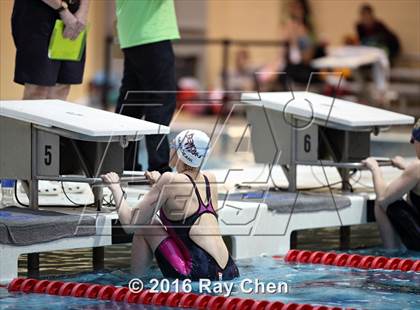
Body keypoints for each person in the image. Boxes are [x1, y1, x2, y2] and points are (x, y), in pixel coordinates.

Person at [102, 130, 239, 280]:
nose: (170, 149)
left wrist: (115, 187)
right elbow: (185, 208)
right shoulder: (209, 179)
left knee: (146, 225)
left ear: (180, 153)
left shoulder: (169, 180)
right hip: (229, 271)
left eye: (173, 145)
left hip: (199, 273)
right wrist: (159, 184)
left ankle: (135, 284)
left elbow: (129, 224)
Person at [115, 0, 179, 174]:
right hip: (152, 32)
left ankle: (125, 166)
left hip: (132, 32)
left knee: (131, 105)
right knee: (160, 102)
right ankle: (159, 169)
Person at [12, 0, 89, 100]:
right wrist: (62, 10)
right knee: (38, 88)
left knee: (62, 86)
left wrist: (83, 10)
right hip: (39, 12)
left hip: (74, 15)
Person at [363, 121, 420, 251]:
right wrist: (406, 166)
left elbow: (384, 198)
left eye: (413, 141)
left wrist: (374, 168)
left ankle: (392, 253)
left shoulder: (416, 168)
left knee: (382, 201)